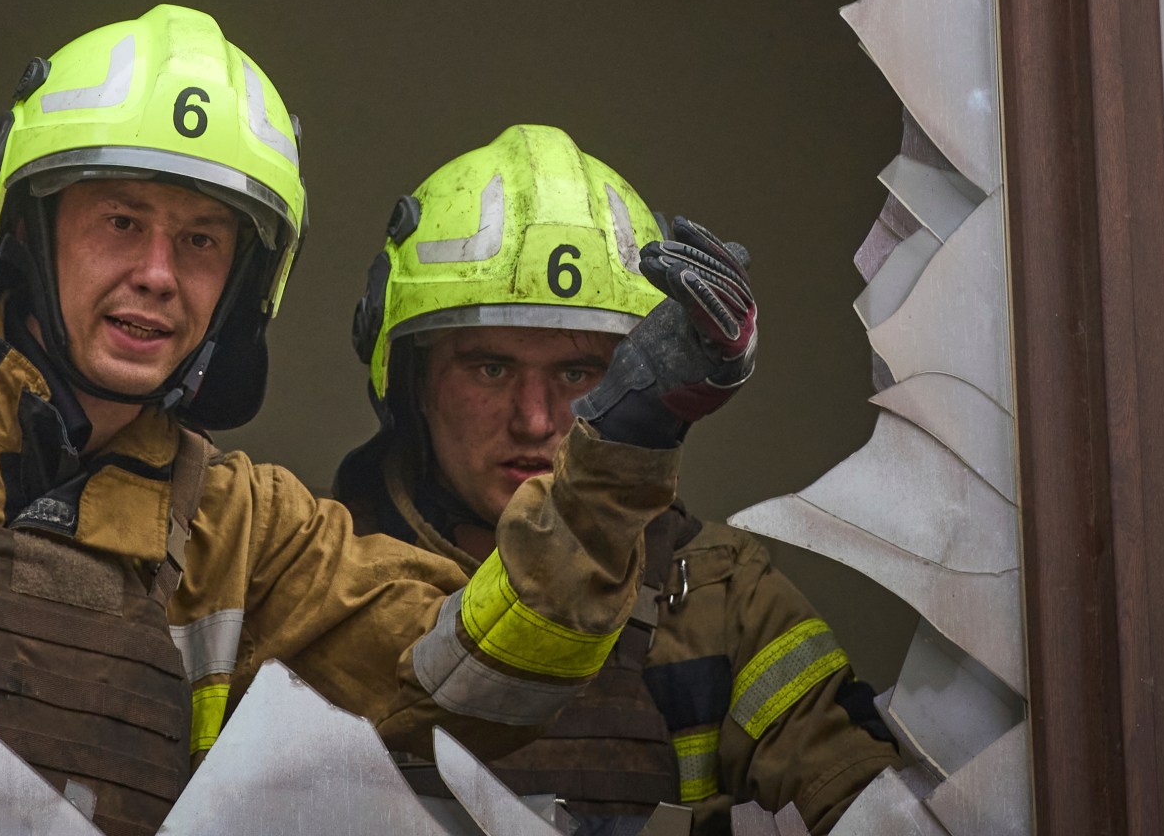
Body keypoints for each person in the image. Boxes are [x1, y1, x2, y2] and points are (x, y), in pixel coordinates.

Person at [0, 8, 758, 836]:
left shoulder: (247, 530)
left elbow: (487, 679)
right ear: (29, 227)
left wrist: (622, 446)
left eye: (200, 239)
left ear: (243, 281)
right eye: (121, 221)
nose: (160, 271)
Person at [335, 125, 903, 834]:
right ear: (410, 378)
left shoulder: (722, 602)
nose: (537, 420)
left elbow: (868, 810)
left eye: (579, 373)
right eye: (491, 368)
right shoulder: (312, 580)